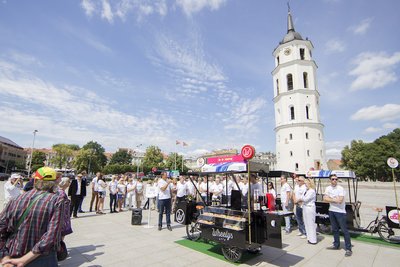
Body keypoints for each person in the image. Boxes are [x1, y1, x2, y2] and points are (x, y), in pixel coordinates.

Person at [0, 167, 65, 266]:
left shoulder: (16, 199)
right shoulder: (57, 201)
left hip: (13, 255)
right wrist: (24, 260)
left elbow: (1, 228)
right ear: (55, 182)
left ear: (35, 180)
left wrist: (5, 256)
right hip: (42, 258)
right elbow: (52, 236)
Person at [323, 174, 352, 257]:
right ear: (330, 180)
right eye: (332, 179)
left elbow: (340, 200)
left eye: (336, 179)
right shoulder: (328, 188)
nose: (334, 180)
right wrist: (334, 199)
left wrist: (330, 199)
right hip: (331, 210)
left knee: (344, 230)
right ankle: (336, 244)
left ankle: (348, 248)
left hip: (340, 212)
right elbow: (324, 199)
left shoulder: (340, 188)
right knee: (335, 229)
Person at [300, 178, 317, 244]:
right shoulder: (306, 190)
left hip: (310, 208)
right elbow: (302, 197)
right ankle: (309, 238)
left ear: (310, 183)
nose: (305, 185)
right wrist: (302, 198)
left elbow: (305, 199)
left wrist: (301, 198)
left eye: (306, 183)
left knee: (311, 224)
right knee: (306, 223)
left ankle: (313, 240)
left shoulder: (312, 191)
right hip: (305, 207)